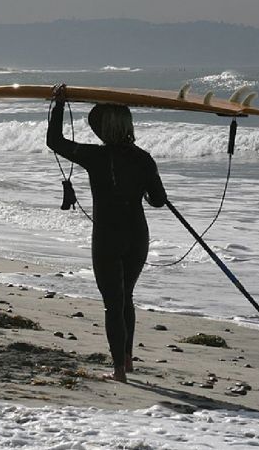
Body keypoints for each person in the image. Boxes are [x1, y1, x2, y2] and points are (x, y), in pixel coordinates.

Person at [46, 84, 167, 382]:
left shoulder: (95, 157)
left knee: (113, 301)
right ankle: (126, 362)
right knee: (126, 297)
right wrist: (144, 185)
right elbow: (159, 200)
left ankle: (118, 372)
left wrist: (59, 104)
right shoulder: (144, 159)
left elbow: (54, 141)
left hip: (108, 237)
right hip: (137, 236)